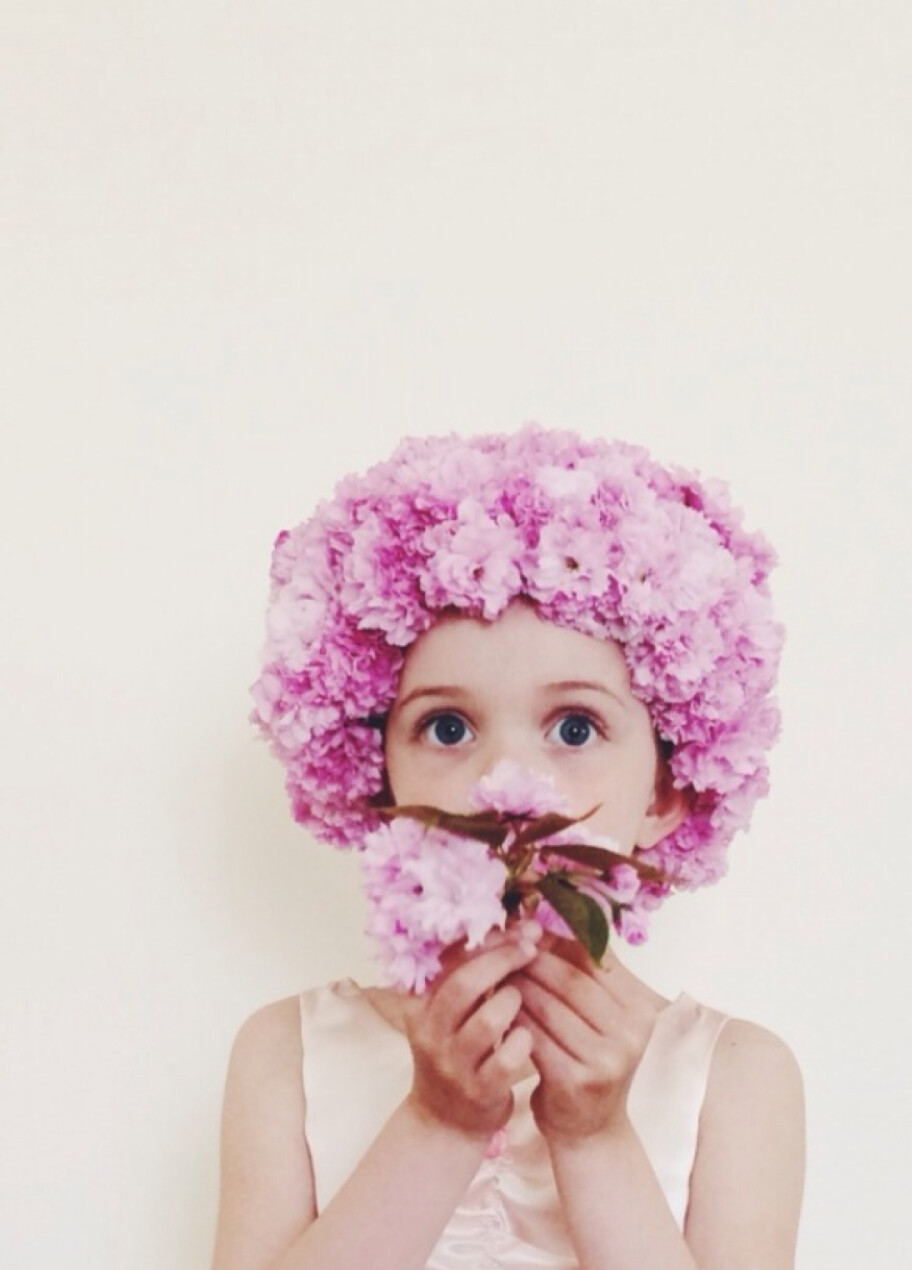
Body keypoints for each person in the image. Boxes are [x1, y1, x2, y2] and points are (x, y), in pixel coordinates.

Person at [210, 426, 806, 1270]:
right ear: (377, 780)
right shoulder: (288, 1054)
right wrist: (438, 1122)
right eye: (447, 727)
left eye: (575, 726)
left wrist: (595, 1140)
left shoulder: (736, 1076)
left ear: (670, 790)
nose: (505, 779)